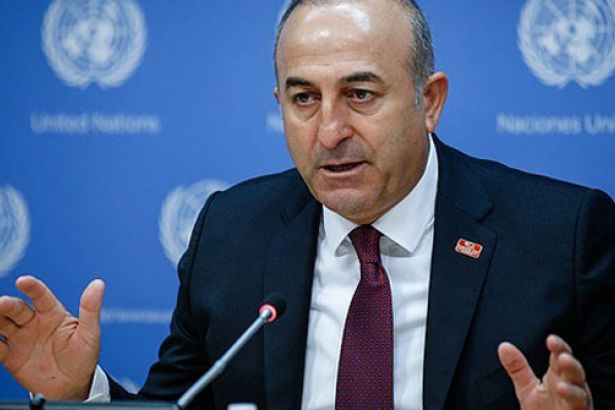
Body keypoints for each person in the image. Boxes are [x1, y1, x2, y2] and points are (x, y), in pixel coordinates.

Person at [1, 0, 614, 408]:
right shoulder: (230, 233)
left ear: (429, 101)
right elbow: (176, 407)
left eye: (360, 94)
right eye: (303, 99)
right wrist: (82, 394)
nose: (329, 132)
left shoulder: (562, 236)